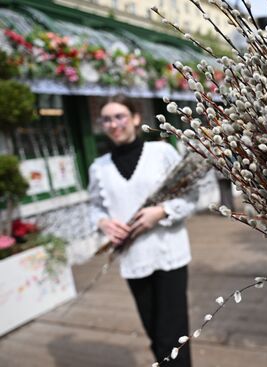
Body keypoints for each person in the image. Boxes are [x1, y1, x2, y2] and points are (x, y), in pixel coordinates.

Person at [87, 94, 195, 366]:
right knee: (154, 333)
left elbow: (191, 195)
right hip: (134, 259)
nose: (114, 124)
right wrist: (103, 223)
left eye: (120, 116)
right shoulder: (98, 168)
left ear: (135, 119)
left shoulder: (162, 153)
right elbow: (94, 208)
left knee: (173, 334)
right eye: (107, 119)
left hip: (168, 253)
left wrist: (160, 212)